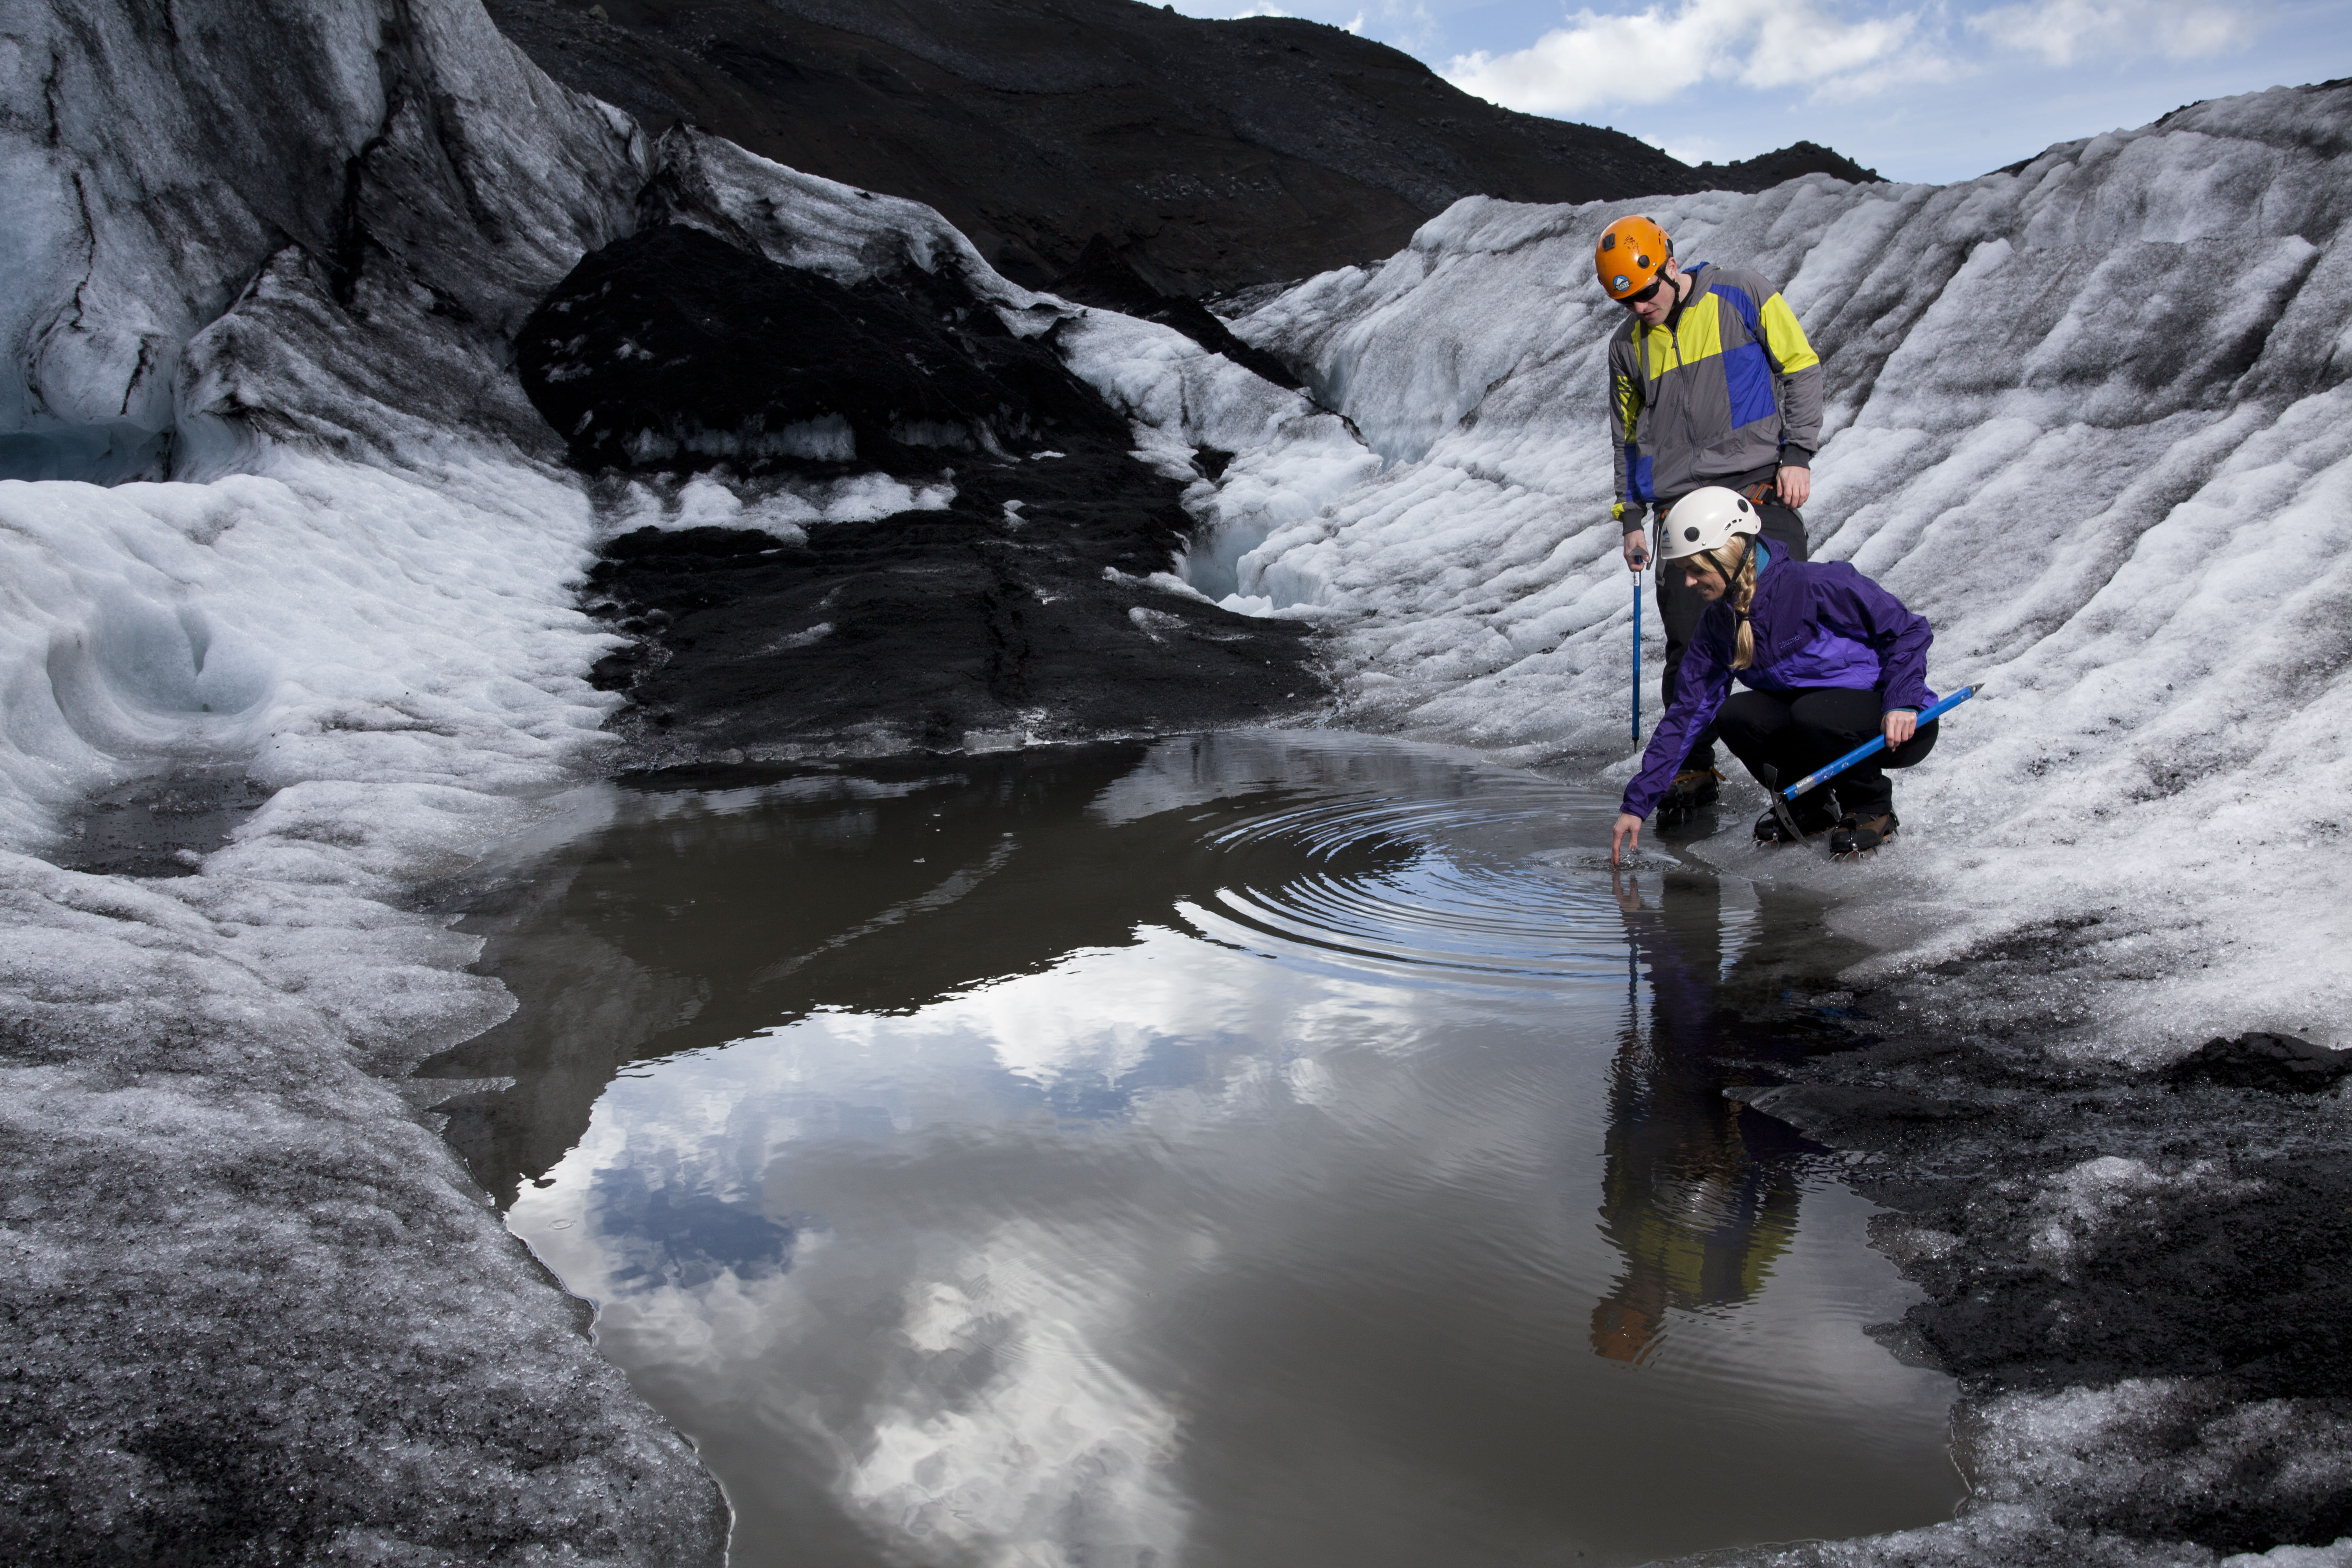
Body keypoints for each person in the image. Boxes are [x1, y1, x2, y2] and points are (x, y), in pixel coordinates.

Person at [1597, 214, 1824, 820]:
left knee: (1784, 633)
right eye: (1626, 298)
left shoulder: (1743, 293)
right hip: (1680, 511)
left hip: (1757, 497)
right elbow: (1627, 440)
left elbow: (1801, 366)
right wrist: (1631, 518)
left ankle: (1814, 783)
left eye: (1647, 290)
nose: (1640, 306)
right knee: (1690, 647)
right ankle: (1693, 767)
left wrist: (1798, 454)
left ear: (1670, 263)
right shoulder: (1626, 348)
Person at [1609, 487, 1939, 864]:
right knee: (1736, 716)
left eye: (1696, 570)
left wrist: (1903, 702)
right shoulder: (1719, 625)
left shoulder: (1815, 586)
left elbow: (1909, 631)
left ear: (1728, 555)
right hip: (1814, 722)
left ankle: (1871, 806)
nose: (1689, 583)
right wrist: (1637, 804)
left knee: (1814, 712)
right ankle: (1809, 805)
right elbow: (1685, 715)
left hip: (1894, 723)